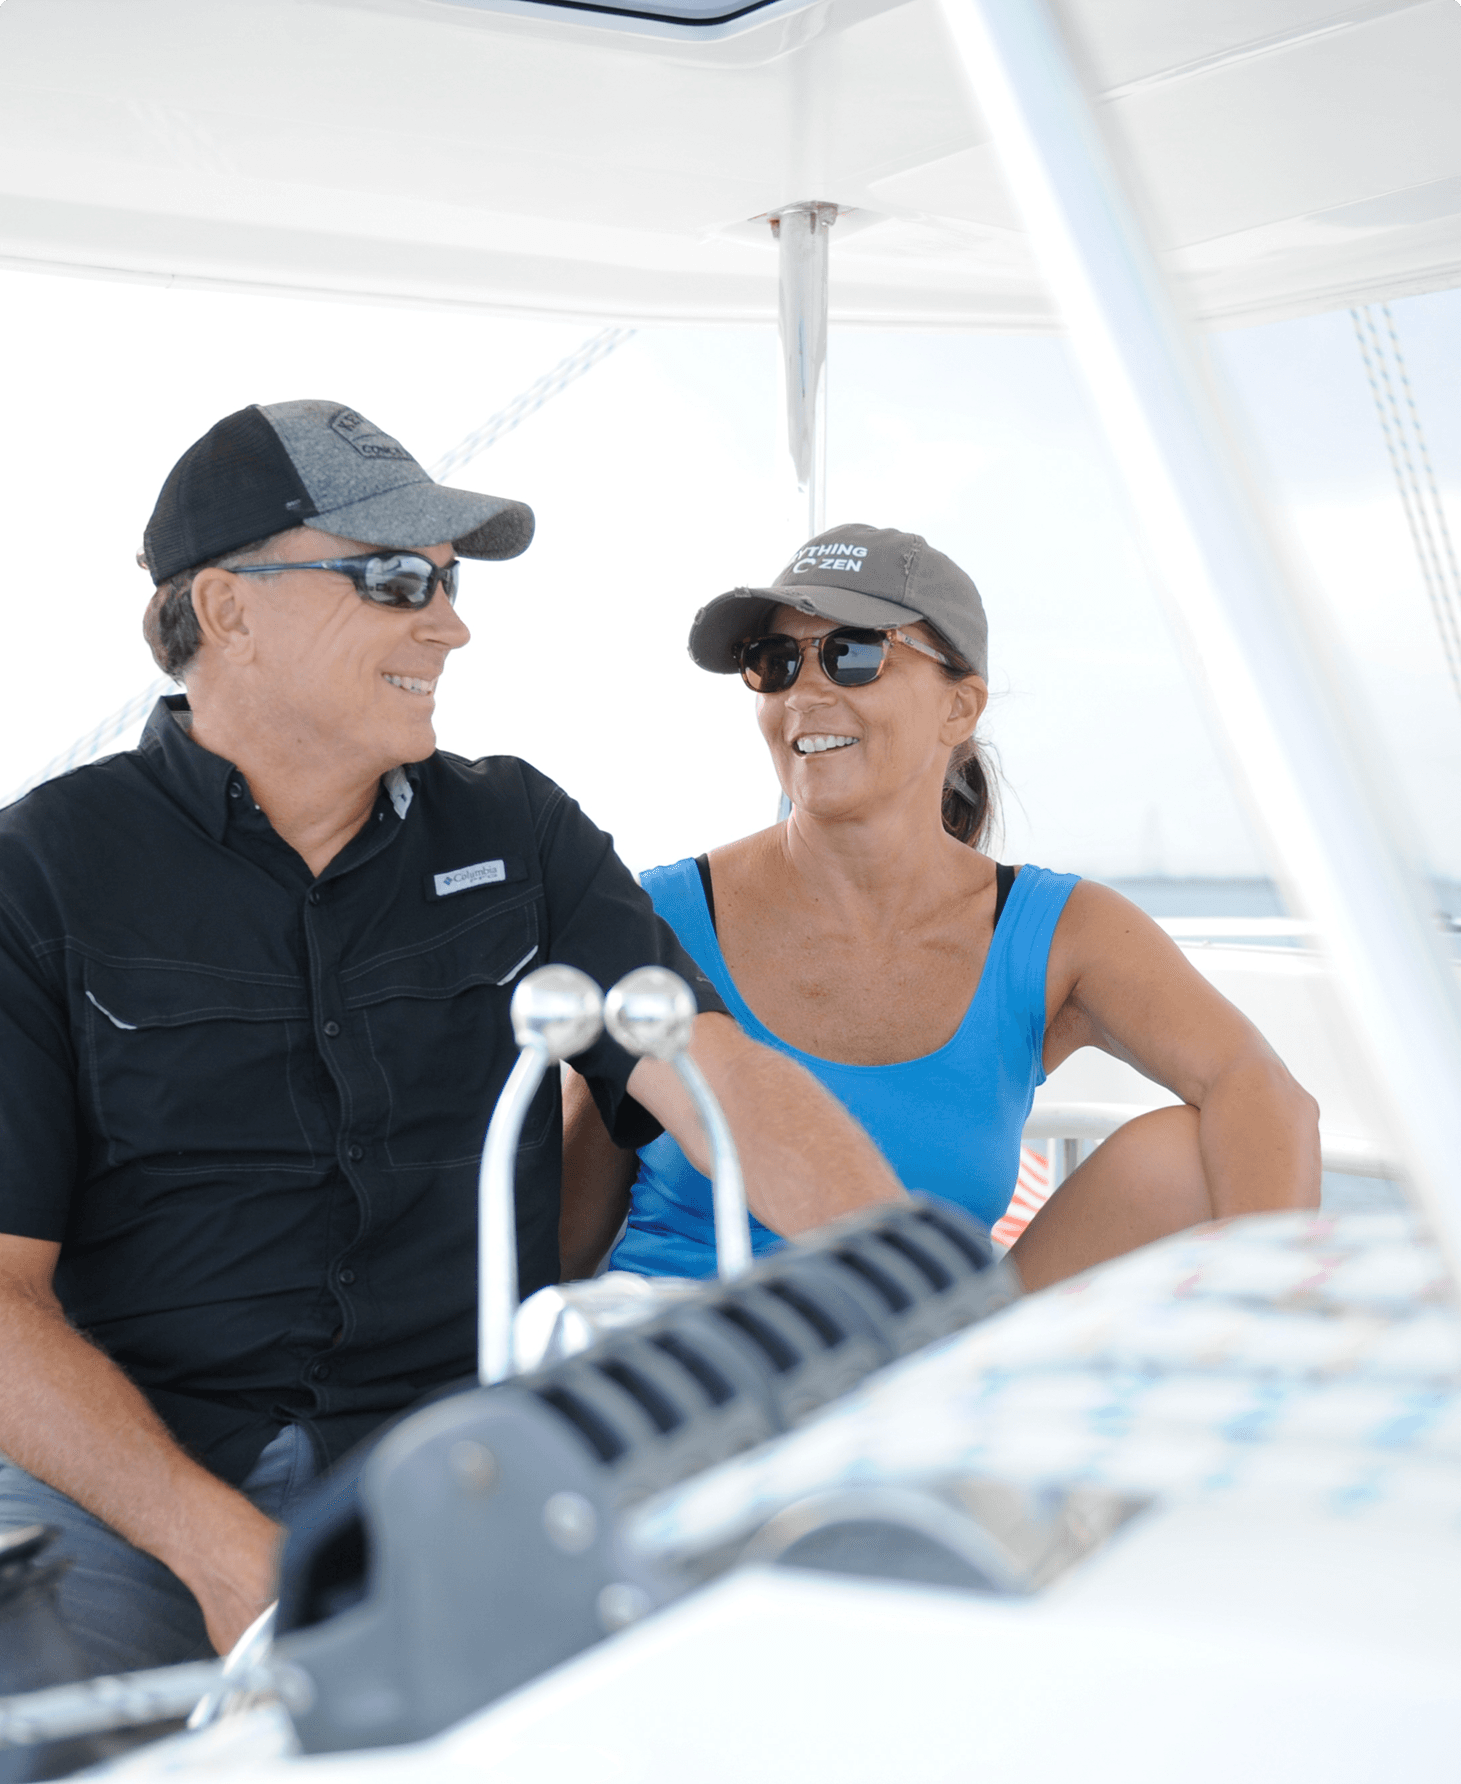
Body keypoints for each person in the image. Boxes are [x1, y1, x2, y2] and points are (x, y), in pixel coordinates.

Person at [0, 411, 904, 1678]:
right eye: (393, 577)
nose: (450, 622)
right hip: (129, 1482)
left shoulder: (522, 834)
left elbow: (710, 1076)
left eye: (451, 580)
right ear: (227, 607)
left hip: (445, 1465)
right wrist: (217, 1549)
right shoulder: (39, 875)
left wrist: (923, 1306)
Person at [560, 523, 1321, 1288]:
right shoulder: (656, 917)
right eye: (775, 661)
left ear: (959, 708)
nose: (805, 691)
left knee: (1185, 1154)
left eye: (851, 654)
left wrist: (1270, 1317)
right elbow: (554, 1241)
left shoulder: (1060, 931)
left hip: (922, 1367)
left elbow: (1258, 1088)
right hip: (682, 1369)